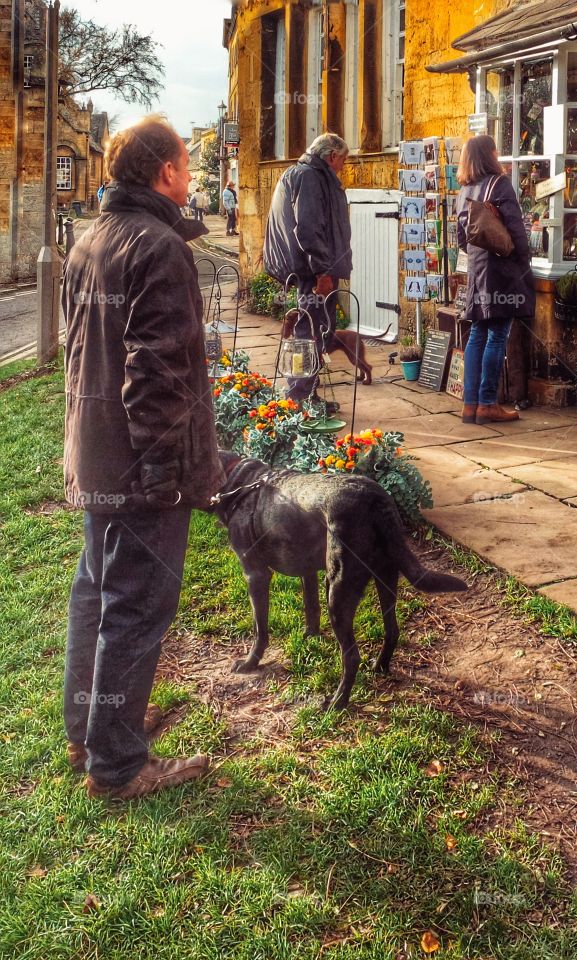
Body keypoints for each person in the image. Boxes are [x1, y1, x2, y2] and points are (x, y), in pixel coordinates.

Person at [61, 115, 226, 800]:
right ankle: (118, 763)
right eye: (186, 167)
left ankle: (91, 727)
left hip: (98, 454)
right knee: (135, 603)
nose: (191, 179)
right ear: (165, 172)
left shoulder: (91, 239)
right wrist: (162, 471)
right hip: (139, 465)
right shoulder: (158, 247)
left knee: (99, 591)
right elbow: (155, 370)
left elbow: (79, 355)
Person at [263, 132, 352, 402]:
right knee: (309, 331)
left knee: (313, 330)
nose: (343, 167)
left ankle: (305, 393)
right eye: (343, 161)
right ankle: (300, 397)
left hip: (308, 269)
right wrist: (323, 272)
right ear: (332, 156)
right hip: (312, 272)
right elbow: (309, 230)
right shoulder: (310, 177)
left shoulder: (305, 174)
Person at [455, 135, 535, 425]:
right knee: (498, 334)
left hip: (477, 269)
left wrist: (479, 255)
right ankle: (487, 404)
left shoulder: (464, 189)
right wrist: (523, 260)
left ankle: (470, 404)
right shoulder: (499, 184)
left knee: (477, 333)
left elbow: (462, 239)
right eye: (495, 151)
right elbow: (516, 229)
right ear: (489, 154)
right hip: (502, 269)